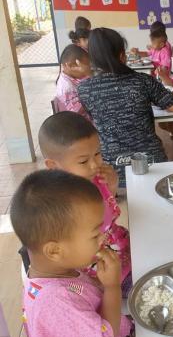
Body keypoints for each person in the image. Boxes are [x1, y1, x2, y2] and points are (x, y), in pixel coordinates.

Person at [11, 170, 132, 337]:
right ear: (54, 251)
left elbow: (85, 295)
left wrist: (101, 283)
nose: (103, 237)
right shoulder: (56, 303)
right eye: (94, 235)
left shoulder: (60, 267)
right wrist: (112, 287)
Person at [78, 28, 173, 186]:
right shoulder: (142, 81)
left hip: (111, 169)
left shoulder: (84, 89)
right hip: (151, 163)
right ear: (122, 55)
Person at [38, 111, 132, 296]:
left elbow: (108, 213)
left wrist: (111, 187)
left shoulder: (94, 178)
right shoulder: (59, 203)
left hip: (121, 247)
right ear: (53, 165)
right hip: (100, 271)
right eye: (83, 161)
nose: (94, 165)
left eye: (97, 153)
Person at [54, 44, 91, 120]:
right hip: (80, 124)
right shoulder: (66, 87)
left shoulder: (73, 76)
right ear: (70, 66)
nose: (87, 70)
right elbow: (75, 112)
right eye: (85, 66)